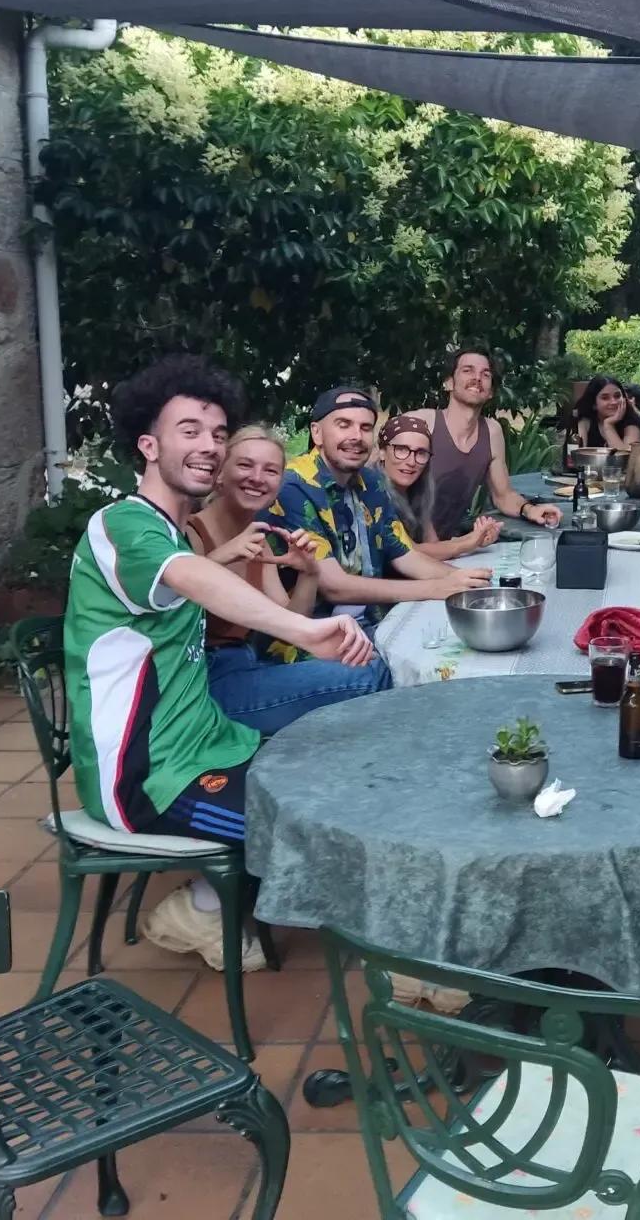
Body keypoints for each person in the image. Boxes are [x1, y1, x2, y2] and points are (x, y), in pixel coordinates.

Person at [63, 356, 374, 971]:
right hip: (148, 776)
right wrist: (307, 631)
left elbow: (200, 574)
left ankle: (202, 907)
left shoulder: (173, 532)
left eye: (217, 433)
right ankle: (406, 970)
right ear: (149, 445)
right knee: (331, 827)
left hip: (212, 742)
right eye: (189, 431)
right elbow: (191, 578)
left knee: (346, 777)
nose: (209, 445)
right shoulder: (122, 524)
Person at [185, 425, 394, 732]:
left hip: (250, 666)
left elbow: (288, 627)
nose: (257, 478)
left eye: (270, 470)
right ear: (219, 474)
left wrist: (308, 572)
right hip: (207, 684)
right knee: (373, 677)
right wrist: (221, 557)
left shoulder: (260, 543)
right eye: (245, 465)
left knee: (379, 657)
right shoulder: (190, 534)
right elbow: (170, 607)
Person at [262, 385, 492, 626]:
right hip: (313, 633)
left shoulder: (371, 482)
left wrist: (469, 581)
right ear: (317, 433)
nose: (356, 436)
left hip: (372, 621)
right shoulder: (294, 486)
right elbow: (334, 587)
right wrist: (436, 588)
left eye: (365, 427)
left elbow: (406, 555)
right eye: (344, 425)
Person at [394, 348, 561, 539]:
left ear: (491, 392)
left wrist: (530, 510)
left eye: (486, 374)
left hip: (449, 545)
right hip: (401, 546)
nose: (477, 378)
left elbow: (503, 495)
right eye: (468, 370)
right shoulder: (420, 423)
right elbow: (381, 484)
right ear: (448, 382)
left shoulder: (492, 432)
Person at [374, 413, 503, 560]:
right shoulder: (375, 492)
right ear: (382, 453)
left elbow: (433, 544)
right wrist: (469, 543)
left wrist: (477, 537)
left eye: (421, 453)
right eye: (401, 450)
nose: (411, 461)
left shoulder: (417, 491)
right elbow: (408, 550)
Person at [569, 374, 640, 450]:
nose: (613, 402)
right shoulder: (585, 420)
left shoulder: (632, 421)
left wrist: (609, 425)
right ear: (594, 404)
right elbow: (576, 453)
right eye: (605, 398)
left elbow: (629, 456)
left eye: (617, 396)